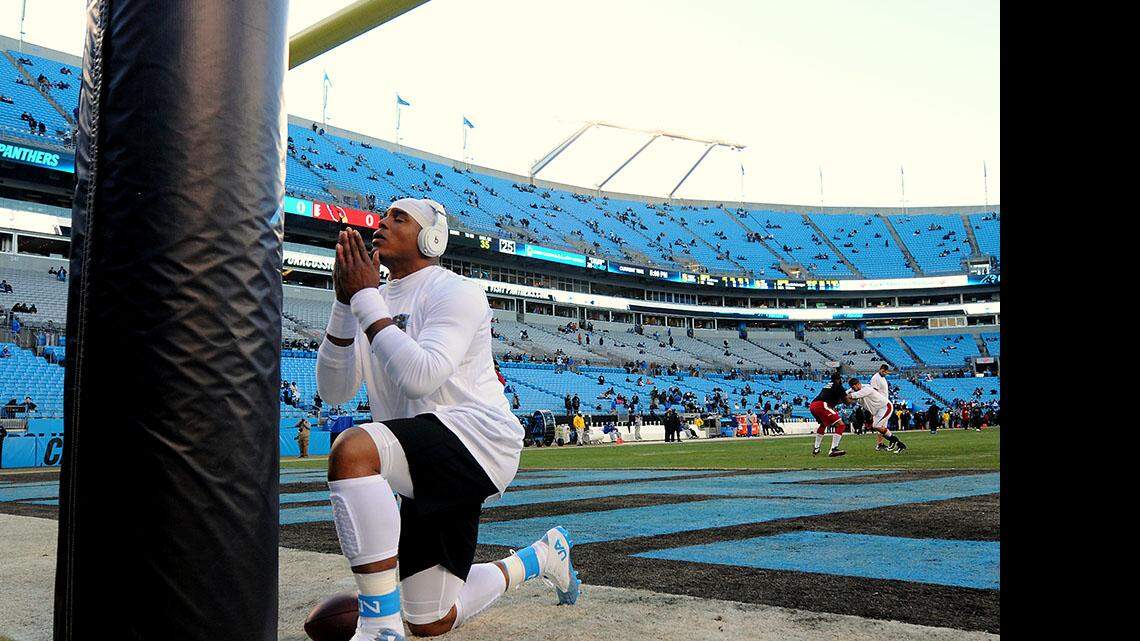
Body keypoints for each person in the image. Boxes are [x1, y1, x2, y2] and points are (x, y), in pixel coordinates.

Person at [315, 198, 579, 640]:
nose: (382, 223)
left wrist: (363, 298)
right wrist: (346, 303)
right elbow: (334, 392)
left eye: (399, 218)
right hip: (422, 457)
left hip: (477, 441)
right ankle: (542, 556)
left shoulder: (455, 290)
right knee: (429, 618)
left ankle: (379, 627)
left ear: (432, 237)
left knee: (354, 450)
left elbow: (423, 375)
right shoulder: (369, 299)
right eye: (383, 217)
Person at [847, 378, 906, 454]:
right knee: (878, 427)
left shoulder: (866, 389)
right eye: (852, 388)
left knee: (876, 426)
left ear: (858, 384)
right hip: (877, 411)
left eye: (854, 387)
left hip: (885, 407)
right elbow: (846, 395)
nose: (853, 389)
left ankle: (893, 440)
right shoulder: (856, 389)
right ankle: (899, 444)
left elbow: (852, 396)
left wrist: (842, 396)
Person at [808, 372, 848, 457]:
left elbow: (833, 399)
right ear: (839, 379)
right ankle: (833, 449)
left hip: (813, 405)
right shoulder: (838, 386)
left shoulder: (827, 385)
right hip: (822, 405)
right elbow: (846, 402)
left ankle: (816, 448)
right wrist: (854, 397)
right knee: (841, 425)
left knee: (823, 425)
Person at [870, 364, 891, 451]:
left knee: (883, 425)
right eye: (884, 372)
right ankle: (881, 443)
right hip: (879, 404)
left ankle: (880, 443)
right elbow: (874, 392)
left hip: (884, 404)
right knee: (879, 425)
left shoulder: (882, 378)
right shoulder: (875, 378)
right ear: (881, 370)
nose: (885, 374)